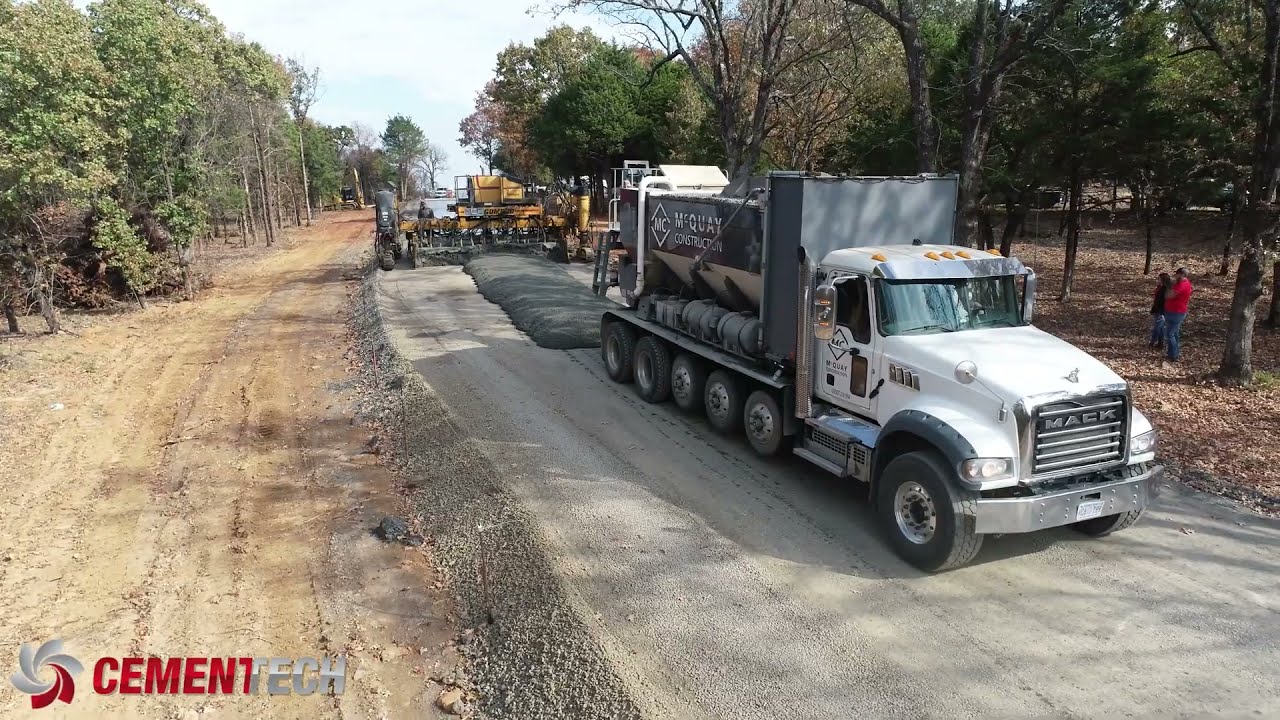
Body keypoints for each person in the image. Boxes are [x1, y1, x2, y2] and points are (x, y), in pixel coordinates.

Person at [1163, 267, 1193, 362]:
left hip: (1177, 312)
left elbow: (1169, 295)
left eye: (1177, 274)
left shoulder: (1183, 285)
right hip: (1172, 311)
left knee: (1170, 334)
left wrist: (1168, 287)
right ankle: (1172, 353)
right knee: (1174, 333)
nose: (1175, 276)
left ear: (1182, 275)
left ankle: (1173, 355)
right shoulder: (1179, 283)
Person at [1149, 272, 1172, 348]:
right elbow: (1156, 300)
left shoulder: (1165, 290)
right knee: (1160, 327)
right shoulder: (1159, 287)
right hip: (1158, 309)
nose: (1157, 280)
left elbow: (1161, 301)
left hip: (1162, 311)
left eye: (1159, 279)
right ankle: (1160, 342)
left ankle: (1153, 341)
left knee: (1157, 327)